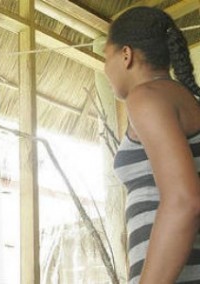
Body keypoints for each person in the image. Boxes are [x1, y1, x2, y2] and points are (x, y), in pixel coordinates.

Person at [107, 6, 200, 284]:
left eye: (105, 56)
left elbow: (185, 202)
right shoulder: (186, 102)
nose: (104, 69)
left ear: (126, 55)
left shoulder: (145, 97)